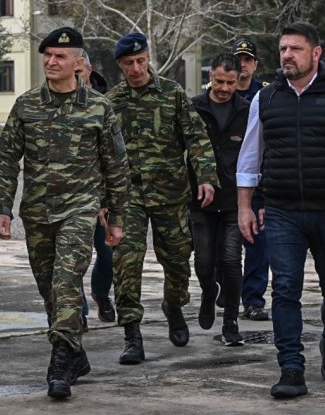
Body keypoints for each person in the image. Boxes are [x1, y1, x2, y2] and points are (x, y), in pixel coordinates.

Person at [237, 21, 325, 399]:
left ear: (316, 53)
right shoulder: (265, 99)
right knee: (284, 288)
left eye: (295, 49)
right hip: (282, 211)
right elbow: (250, 158)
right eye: (283, 49)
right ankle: (291, 367)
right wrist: (245, 208)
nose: (287, 55)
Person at [0, 27, 130, 399]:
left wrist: (116, 217)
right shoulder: (27, 105)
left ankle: (59, 363)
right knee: (51, 292)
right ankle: (77, 355)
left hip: (80, 210)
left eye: (60, 56)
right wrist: (1, 207)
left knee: (67, 283)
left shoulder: (99, 107)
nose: (51, 62)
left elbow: (116, 166)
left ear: (78, 62)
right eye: (47, 55)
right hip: (37, 212)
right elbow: (5, 160)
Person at [107, 32, 219, 364]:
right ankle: (132, 334)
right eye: (129, 63)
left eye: (141, 61)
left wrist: (207, 178)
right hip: (129, 197)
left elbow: (196, 137)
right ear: (120, 65)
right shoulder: (111, 102)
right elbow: (101, 155)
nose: (137, 68)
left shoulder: (171, 94)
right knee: (126, 264)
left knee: (178, 265)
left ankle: (173, 305)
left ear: (148, 57)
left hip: (170, 194)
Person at [190, 53, 251, 346]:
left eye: (230, 82)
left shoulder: (247, 111)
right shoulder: (194, 108)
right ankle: (206, 292)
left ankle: (231, 321)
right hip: (201, 200)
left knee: (230, 260)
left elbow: (256, 158)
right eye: (218, 81)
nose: (224, 88)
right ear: (210, 77)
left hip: (234, 200)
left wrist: (255, 202)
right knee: (203, 261)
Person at [232, 36, 271, 321]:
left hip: (257, 180)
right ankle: (228, 293)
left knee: (258, 242)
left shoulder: (267, 95)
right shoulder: (220, 93)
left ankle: (254, 299)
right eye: (238, 60)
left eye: (247, 60)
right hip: (226, 180)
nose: (242, 65)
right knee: (227, 248)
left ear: (255, 65)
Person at [77, 50, 116, 326]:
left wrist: (108, 198)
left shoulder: (105, 103)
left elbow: (114, 157)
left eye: (78, 72)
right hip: (72, 197)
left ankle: (101, 293)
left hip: (102, 195)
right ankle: (77, 312)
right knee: (73, 255)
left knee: (108, 253)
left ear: (88, 70)